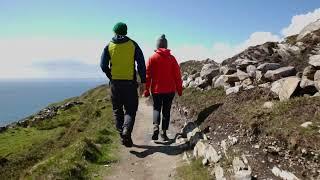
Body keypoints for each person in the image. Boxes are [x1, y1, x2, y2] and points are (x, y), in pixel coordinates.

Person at [100, 22, 146, 147]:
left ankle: (123, 134)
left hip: (115, 84)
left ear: (114, 31)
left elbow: (103, 65)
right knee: (130, 110)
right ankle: (126, 131)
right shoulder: (133, 44)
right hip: (130, 84)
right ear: (125, 32)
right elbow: (141, 64)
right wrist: (143, 81)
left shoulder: (109, 46)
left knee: (117, 110)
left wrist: (111, 75)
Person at [144, 34, 183, 141]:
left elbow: (147, 76)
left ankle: (155, 127)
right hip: (169, 90)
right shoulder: (172, 58)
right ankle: (163, 132)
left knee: (156, 108)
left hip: (156, 90)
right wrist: (179, 89)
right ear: (166, 45)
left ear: (157, 46)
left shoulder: (152, 58)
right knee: (166, 110)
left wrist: (146, 90)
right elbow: (177, 76)